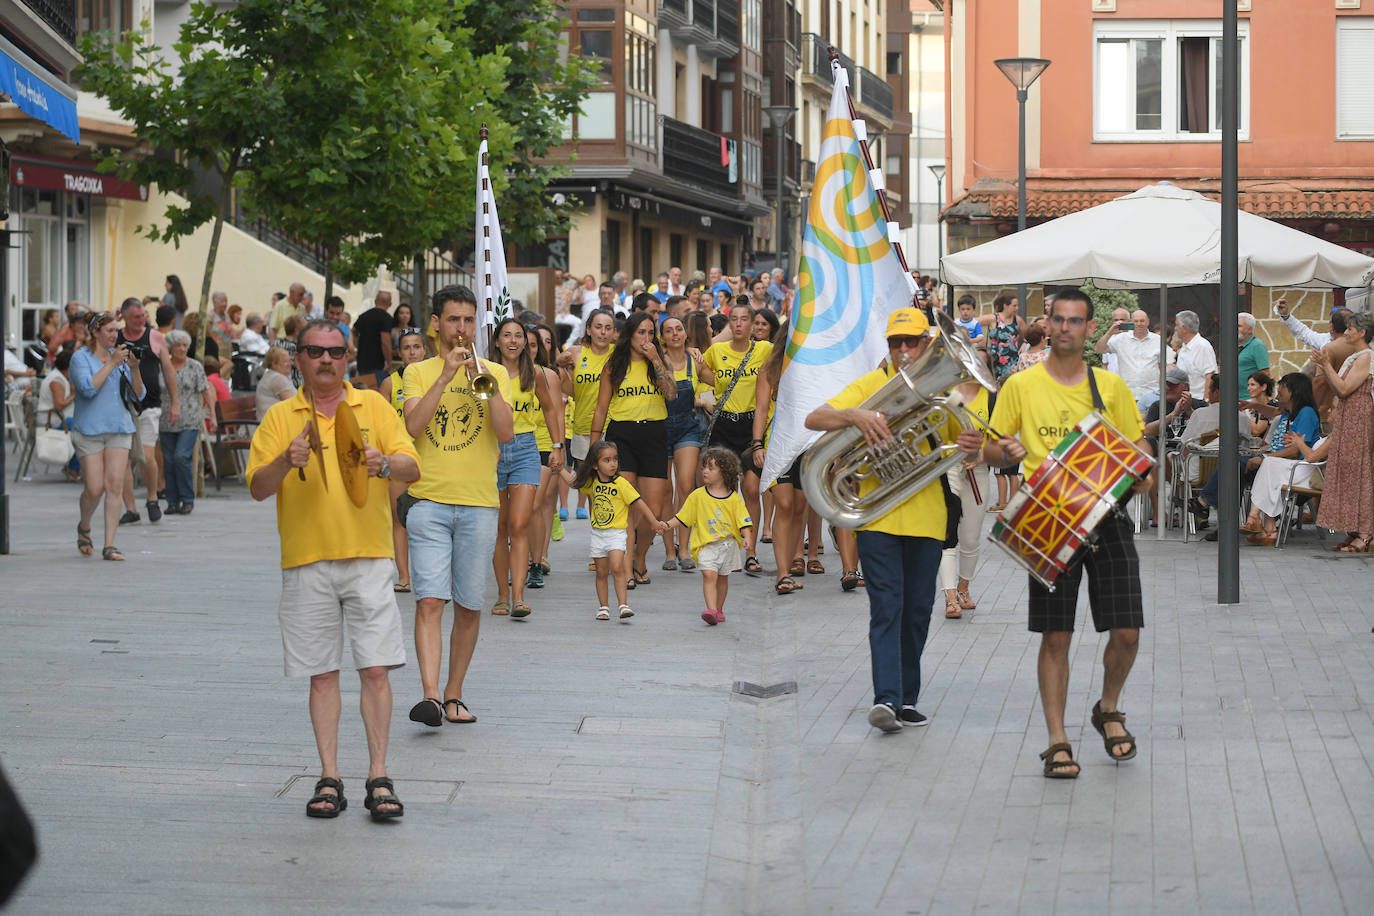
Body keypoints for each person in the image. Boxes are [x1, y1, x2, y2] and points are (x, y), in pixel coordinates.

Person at [247, 319, 419, 820]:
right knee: (321, 676)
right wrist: (285, 460)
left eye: (335, 352)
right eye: (315, 352)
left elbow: (413, 467)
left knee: (375, 670)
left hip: (368, 557)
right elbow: (258, 487)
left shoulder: (374, 405)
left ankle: (379, 776)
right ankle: (329, 777)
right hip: (306, 561)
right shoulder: (281, 416)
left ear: (347, 358)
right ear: (297, 358)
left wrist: (383, 462)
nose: (326, 360)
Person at [982, 289, 1152, 777]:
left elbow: (1136, 440)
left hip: (1107, 515)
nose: (1064, 328)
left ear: (1088, 329)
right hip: (1046, 521)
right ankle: (1057, 740)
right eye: (1058, 319)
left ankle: (1108, 707)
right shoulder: (1019, 386)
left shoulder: (1109, 388)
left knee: (1127, 630)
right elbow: (991, 453)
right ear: (1048, 323)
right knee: (1056, 637)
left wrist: (1145, 466)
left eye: (1075, 321)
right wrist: (1003, 453)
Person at [806, 308, 978, 733]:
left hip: (928, 518)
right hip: (877, 518)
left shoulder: (949, 391)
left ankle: (905, 699)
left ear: (927, 345)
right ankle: (885, 698)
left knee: (919, 610)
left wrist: (972, 444)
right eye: (895, 342)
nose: (903, 350)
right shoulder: (871, 384)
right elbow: (814, 418)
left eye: (912, 342)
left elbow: (971, 447)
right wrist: (855, 415)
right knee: (887, 607)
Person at [402, 285, 514, 727]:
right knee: (430, 601)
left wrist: (479, 382)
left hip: (479, 504)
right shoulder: (418, 371)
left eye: (469, 321)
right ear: (437, 323)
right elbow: (413, 425)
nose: (461, 329)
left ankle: (453, 695)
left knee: (468, 605)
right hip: (428, 501)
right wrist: (446, 376)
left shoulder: (495, 373)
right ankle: (429, 696)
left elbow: (505, 433)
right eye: (453, 320)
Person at [589, 311, 675, 587]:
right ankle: (625, 571)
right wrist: (594, 445)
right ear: (629, 335)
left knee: (653, 508)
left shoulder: (660, 362)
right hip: (622, 435)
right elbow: (601, 407)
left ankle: (639, 557)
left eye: (651, 333)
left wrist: (655, 359)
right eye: (641, 332)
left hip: (654, 433)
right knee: (625, 506)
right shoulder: (614, 365)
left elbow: (671, 393)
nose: (646, 338)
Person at [489, 318, 563, 618]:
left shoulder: (536, 375)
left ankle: (518, 596)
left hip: (525, 450)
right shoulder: (486, 373)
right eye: (506, 335)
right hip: (492, 450)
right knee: (500, 528)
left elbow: (550, 408)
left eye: (518, 336)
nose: (513, 340)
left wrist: (558, 446)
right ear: (497, 342)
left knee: (519, 525)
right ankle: (502, 595)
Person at [1193, 372, 1321, 530]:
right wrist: (1253, 406)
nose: (1278, 391)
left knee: (1235, 465)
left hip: (1289, 469)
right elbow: (1273, 413)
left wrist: (1264, 457)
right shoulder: (1288, 412)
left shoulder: (1306, 413)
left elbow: (1295, 450)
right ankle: (1221, 519)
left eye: (1282, 387)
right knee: (1233, 458)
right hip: (1276, 462)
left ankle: (1206, 506)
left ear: (1294, 391)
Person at [704, 301, 773, 576]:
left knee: (752, 490)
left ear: (754, 324)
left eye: (746, 319)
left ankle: (751, 552)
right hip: (723, 424)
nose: (740, 324)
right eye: (734, 319)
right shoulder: (718, 350)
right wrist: (710, 387)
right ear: (729, 323)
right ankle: (723, 548)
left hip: (751, 426)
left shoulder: (764, 350)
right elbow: (699, 368)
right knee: (720, 490)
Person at [71, 314, 144, 560]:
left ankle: (110, 544)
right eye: (110, 330)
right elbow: (88, 388)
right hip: (89, 430)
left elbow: (139, 396)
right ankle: (84, 524)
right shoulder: (81, 358)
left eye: (116, 330)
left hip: (119, 428)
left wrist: (134, 369)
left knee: (114, 485)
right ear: (95, 332)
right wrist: (111, 363)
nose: (115, 335)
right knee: (94, 487)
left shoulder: (120, 357)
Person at [571, 440, 669, 620]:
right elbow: (574, 483)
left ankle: (623, 605)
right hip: (598, 534)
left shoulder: (621, 484)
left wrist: (654, 522)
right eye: (607, 460)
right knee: (601, 573)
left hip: (616, 533)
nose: (613, 464)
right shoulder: (592, 483)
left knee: (617, 567)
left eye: (615, 459)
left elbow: (639, 502)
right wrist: (559, 469)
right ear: (595, 465)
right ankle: (604, 607)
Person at [668, 446, 753, 625]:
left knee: (723, 578)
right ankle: (711, 610)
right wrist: (666, 525)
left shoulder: (733, 498)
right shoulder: (697, 496)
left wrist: (747, 537)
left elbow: (743, 521)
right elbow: (683, 516)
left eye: (710, 468)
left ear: (724, 472)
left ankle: (719, 609)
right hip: (706, 545)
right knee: (709, 574)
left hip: (728, 545)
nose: (705, 471)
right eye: (704, 467)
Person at [1311, 312, 1373, 553]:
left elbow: (1345, 388)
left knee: (1359, 473)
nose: (1345, 333)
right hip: (1350, 419)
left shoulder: (1366, 357)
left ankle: (1365, 533)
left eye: (1350, 329)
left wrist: (1325, 364)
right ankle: (1354, 530)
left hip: (1359, 420)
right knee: (1348, 473)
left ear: (1362, 333)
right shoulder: (1356, 357)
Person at [658, 315, 714, 570]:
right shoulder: (656, 362)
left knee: (685, 486)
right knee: (663, 492)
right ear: (663, 338)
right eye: (669, 331)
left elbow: (719, 378)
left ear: (685, 333)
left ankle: (684, 548)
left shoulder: (695, 359)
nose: (675, 334)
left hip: (687, 429)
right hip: (659, 426)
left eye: (679, 329)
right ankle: (670, 551)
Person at [119, 297, 180, 525]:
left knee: (145, 455)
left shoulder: (153, 337)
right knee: (125, 460)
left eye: (143, 315)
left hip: (150, 406)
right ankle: (131, 509)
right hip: (123, 407)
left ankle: (152, 497)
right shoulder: (115, 338)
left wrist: (175, 403)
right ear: (124, 316)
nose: (141, 320)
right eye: (135, 316)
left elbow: (168, 371)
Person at [379, 329, 428, 592]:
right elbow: (379, 422)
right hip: (399, 457)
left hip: (430, 456)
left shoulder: (434, 379)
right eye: (407, 347)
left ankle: (429, 573)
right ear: (399, 352)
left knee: (429, 517)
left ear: (424, 350)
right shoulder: (389, 383)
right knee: (400, 518)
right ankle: (404, 575)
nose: (412, 352)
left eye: (416, 347)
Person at [939, 377, 991, 619]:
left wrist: (980, 456)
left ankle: (963, 588)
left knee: (970, 537)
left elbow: (1000, 435)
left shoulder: (992, 397)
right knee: (947, 533)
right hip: (950, 466)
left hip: (978, 467)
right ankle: (950, 596)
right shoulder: (945, 392)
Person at [557, 308, 616, 518]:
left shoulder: (619, 354)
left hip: (613, 428)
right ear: (589, 329)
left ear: (613, 332)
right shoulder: (576, 353)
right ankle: (599, 535)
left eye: (608, 328)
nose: (603, 332)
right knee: (593, 489)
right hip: (582, 428)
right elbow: (564, 381)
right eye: (598, 327)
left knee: (615, 486)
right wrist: (560, 366)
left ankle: (619, 538)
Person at [524, 324, 566, 584]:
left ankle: (536, 561)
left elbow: (557, 414)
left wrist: (558, 446)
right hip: (513, 445)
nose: (526, 349)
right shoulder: (501, 374)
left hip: (541, 445)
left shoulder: (547, 375)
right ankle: (524, 559)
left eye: (531, 345)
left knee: (535, 505)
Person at [159, 330, 217, 515]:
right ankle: (172, 501)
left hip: (190, 419)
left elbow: (206, 391)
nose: (183, 349)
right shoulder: (163, 366)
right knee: (168, 461)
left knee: (180, 457)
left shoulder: (195, 366)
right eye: (179, 345)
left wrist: (212, 415)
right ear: (171, 347)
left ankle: (187, 498)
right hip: (166, 420)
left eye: (185, 345)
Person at [1095, 308, 1170, 406]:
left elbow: (1166, 367)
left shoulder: (1158, 340)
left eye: (1142, 321)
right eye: (1136, 321)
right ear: (1131, 322)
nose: (1139, 324)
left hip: (1151, 395)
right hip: (1126, 395)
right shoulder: (1120, 339)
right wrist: (1110, 333)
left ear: (1148, 322)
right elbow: (1099, 349)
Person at [352, 290, 395, 388]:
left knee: (364, 393)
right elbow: (385, 341)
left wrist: (357, 345)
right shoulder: (386, 318)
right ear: (390, 304)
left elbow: (353, 331)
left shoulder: (364, 316)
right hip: (378, 364)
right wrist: (389, 361)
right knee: (378, 394)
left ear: (375, 301)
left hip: (362, 361)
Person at [1172, 309, 1217, 395]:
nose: (1175, 328)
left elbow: (1210, 375)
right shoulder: (1184, 347)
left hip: (1198, 401)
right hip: (1184, 399)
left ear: (1184, 328)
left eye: (1177, 325)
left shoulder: (1203, 346)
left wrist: (1206, 400)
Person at [980, 293, 1022, 382]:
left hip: (1012, 361)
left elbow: (1029, 333)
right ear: (1005, 306)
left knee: (1010, 385)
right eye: (1014, 306)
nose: (1017, 308)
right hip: (994, 360)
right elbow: (971, 324)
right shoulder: (993, 318)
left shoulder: (1017, 320)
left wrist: (1025, 343)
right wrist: (979, 339)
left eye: (1017, 306)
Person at [255, 347, 296, 420]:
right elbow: (293, 405)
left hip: (273, 423)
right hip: (274, 426)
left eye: (290, 360)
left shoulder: (272, 375)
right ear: (274, 364)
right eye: (286, 361)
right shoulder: (277, 379)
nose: (291, 364)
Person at [1235, 312, 1271, 391]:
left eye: (1239, 326)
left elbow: (1265, 374)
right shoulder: (1231, 345)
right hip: (1232, 397)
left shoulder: (1257, 345)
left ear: (1250, 329)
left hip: (1249, 398)